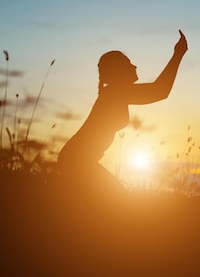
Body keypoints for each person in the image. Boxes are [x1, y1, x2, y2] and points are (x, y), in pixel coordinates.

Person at [57, 30, 188, 196]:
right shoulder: (115, 93)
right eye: (128, 64)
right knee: (120, 201)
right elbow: (160, 91)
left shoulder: (114, 93)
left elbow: (159, 91)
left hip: (79, 160)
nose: (134, 66)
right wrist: (177, 55)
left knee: (117, 199)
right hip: (76, 161)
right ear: (118, 71)